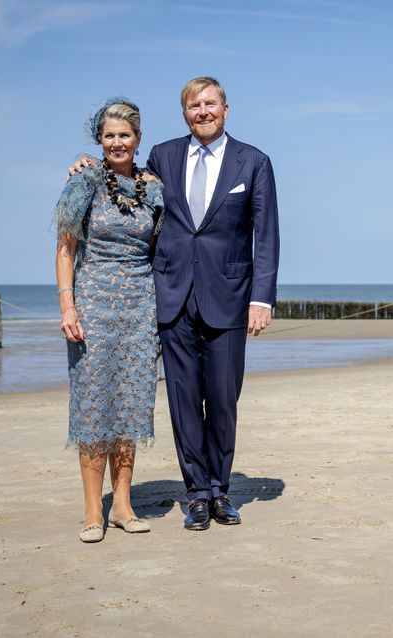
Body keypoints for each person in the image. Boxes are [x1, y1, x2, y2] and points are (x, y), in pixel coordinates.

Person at [70, 77, 281, 530]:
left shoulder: (255, 162)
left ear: (225, 108)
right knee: (183, 402)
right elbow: (120, 181)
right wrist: (87, 164)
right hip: (171, 297)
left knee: (223, 400)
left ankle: (221, 489)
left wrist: (262, 298)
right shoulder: (162, 158)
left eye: (209, 104)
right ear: (184, 113)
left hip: (229, 297)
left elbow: (266, 235)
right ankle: (198, 495)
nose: (202, 112)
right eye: (193, 106)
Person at [54, 99, 163, 542]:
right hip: (92, 308)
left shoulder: (153, 188)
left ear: (138, 140)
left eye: (125, 135)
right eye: (109, 135)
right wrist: (68, 306)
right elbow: (66, 248)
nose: (117, 142)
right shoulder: (84, 182)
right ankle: (91, 512)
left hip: (140, 307)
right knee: (94, 404)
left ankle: (122, 505)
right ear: (99, 140)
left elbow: (158, 249)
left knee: (132, 404)